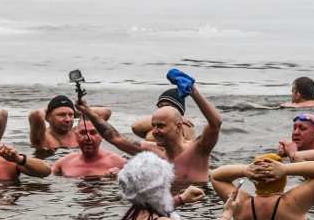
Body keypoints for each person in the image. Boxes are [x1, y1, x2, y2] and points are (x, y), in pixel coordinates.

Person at [76, 69, 222, 183]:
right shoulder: (153, 151)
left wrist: (193, 90)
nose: (155, 131)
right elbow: (115, 138)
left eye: (161, 126)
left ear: (178, 127)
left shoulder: (198, 150)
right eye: (153, 126)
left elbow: (215, 123)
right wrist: (88, 112)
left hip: (195, 211)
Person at [210, 154, 314, 220]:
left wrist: (244, 170)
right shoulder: (293, 204)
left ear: (254, 179)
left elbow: (215, 176)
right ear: (283, 178)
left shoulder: (241, 205)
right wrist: (287, 169)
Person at [29, 95, 111, 150]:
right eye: (61, 115)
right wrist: (52, 109)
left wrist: (78, 112)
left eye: (70, 115)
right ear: (49, 117)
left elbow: (105, 113)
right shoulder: (41, 137)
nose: (68, 119)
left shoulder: (79, 132)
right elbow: (37, 114)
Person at [52, 119, 127, 177]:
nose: (88, 138)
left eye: (93, 133)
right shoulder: (63, 163)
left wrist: (120, 178)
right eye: (83, 133)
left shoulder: (120, 163)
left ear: (102, 136)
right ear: (76, 136)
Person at [131, 89, 195, 142]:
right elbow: (135, 127)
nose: (163, 109)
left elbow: (150, 138)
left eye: (167, 106)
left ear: (179, 110)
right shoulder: (160, 127)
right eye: (160, 106)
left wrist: (176, 119)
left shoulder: (186, 126)